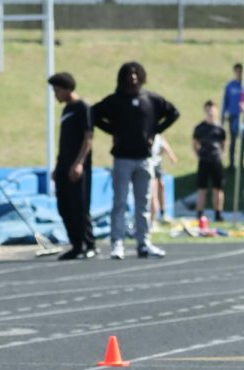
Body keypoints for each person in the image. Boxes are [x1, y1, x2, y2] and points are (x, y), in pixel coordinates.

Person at [92, 61, 179, 260]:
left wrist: (155, 131)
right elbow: (94, 114)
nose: (132, 77)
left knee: (144, 203)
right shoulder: (116, 100)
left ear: (141, 76)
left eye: (135, 73)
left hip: (144, 158)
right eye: (128, 74)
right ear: (122, 78)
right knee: (120, 202)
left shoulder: (151, 99)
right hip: (122, 158)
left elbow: (173, 113)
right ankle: (117, 243)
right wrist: (112, 130)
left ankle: (144, 243)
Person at [48, 71, 97, 261]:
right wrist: (58, 166)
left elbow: (88, 137)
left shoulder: (82, 107)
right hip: (63, 166)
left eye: (57, 90)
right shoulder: (66, 109)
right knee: (64, 206)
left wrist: (79, 163)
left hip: (77, 167)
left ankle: (89, 243)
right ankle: (76, 245)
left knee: (80, 206)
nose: (55, 94)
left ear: (68, 89)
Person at [192, 101, 226, 223]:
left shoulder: (220, 128)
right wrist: (199, 155)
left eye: (212, 110)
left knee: (218, 188)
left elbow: (223, 144)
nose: (210, 112)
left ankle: (218, 213)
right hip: (204, 160)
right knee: (202, 188)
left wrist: (221, 155)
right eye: (208, 110)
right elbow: (195, 144)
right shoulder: (200, 128)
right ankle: (200, 212)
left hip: (216, 160)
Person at [221, 63, 244, 169]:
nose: (239, 74)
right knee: (233, 140)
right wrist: (223, 116)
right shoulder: (230, 86)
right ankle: (231, 163)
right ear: (234, 72)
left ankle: (241, 163)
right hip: (233, 116)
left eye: (241, 71)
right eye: (237, 71)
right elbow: (225, 102)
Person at [150, 134, 177, 223]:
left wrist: (171, 156)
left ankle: (162, 213)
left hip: (157, 164)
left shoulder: (158, 136)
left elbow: (164, 145)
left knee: (161, 186)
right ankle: (152, 219)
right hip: (149, 165)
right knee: (153, 192)